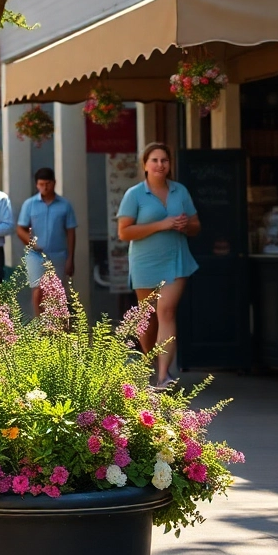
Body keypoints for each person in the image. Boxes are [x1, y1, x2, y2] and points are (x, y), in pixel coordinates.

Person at [116, 142, 200, 388]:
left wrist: (186, 226)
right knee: (148, 318)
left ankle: (164, 375)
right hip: (144, 262)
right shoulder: (134, 195)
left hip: (176, 259)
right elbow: (124, 232)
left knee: (166, 311)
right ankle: (149, 365)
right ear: (145, 164)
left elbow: (196, 226)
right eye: (154, 160)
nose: (160, 165)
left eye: (164, 160)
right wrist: (161, 224)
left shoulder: (180, 191)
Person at [15, 167, 78, 319]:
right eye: (41, 184)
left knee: (57, 291)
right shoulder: (29, 204)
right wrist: (31, 242)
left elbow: (71, 232)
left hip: (58, 254)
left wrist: (70, 258)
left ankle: (58, 325)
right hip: (36, 255)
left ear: (54, 183)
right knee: (38, 289)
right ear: (36, 185)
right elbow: (20, 229)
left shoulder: (65, 205)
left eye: (48, 184)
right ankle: (40, 324)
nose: (44, 187)